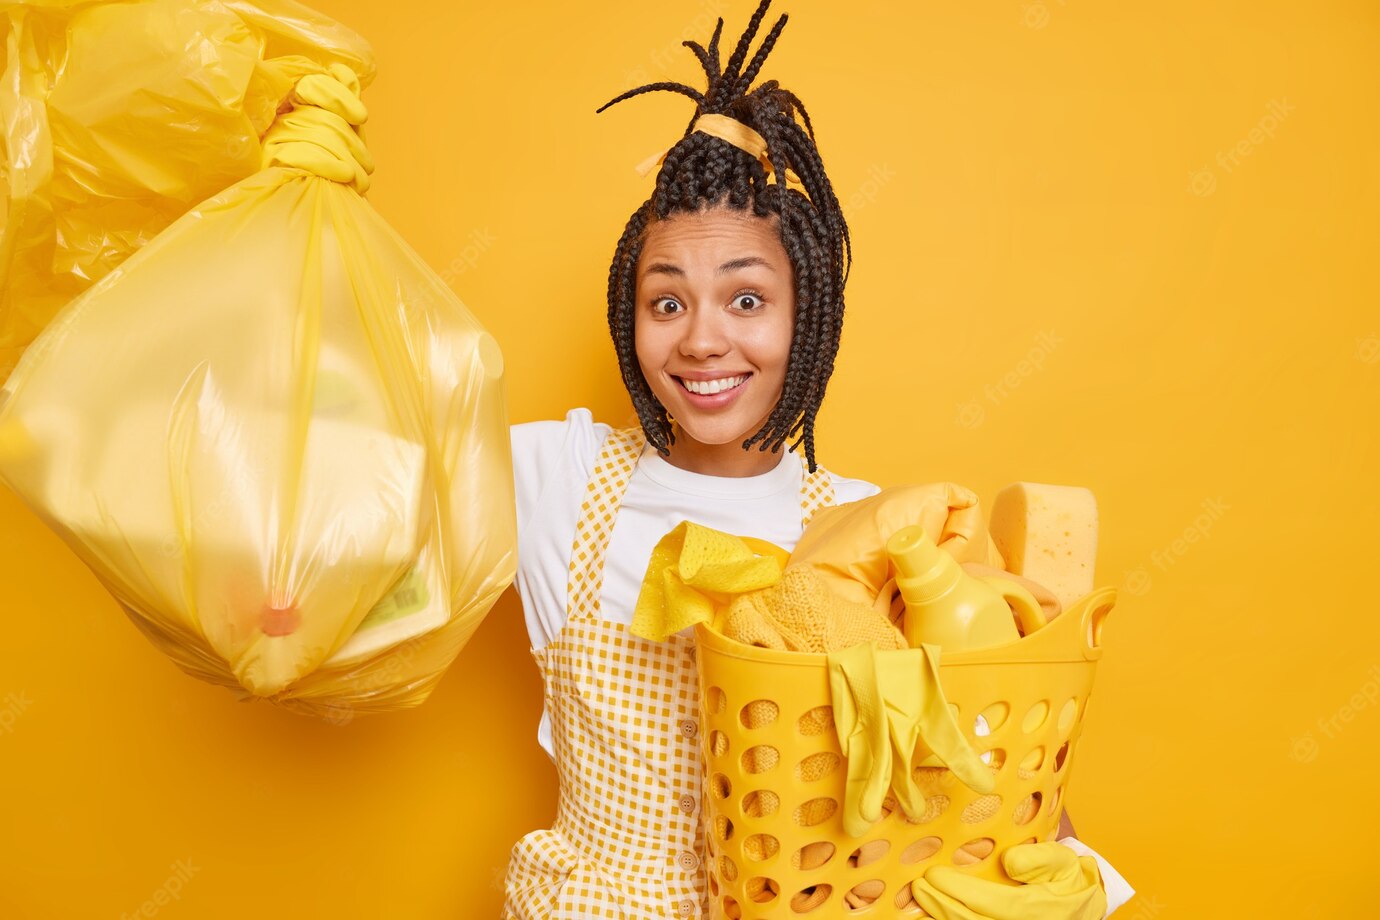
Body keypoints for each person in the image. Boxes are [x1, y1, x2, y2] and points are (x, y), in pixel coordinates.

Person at [501, 2, 1133, 917]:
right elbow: (325, 489)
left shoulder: (884, 529)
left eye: (748, 300)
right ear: (628, 320)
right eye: (666, 303)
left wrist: (1078, 876)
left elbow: (978, 771)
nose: (702, 341)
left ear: (809, 322)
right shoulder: (556, 478)